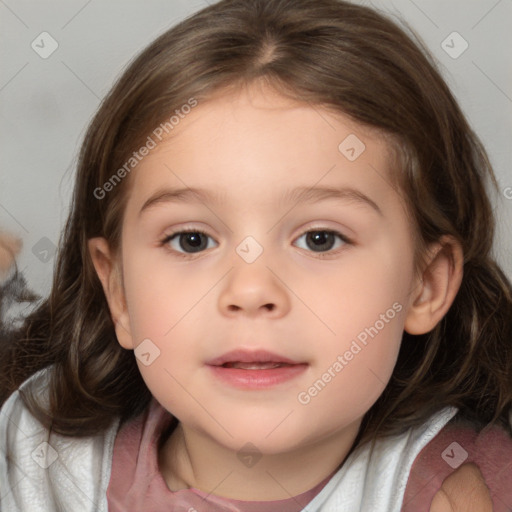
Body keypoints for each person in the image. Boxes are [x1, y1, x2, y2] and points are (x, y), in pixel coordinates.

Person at [1, 0, 511, 510]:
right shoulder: (38, 458)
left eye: (320, 239)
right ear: (119, 292)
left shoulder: (452, 491)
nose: (250, 291)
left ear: (425, 284)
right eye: (192, 240)